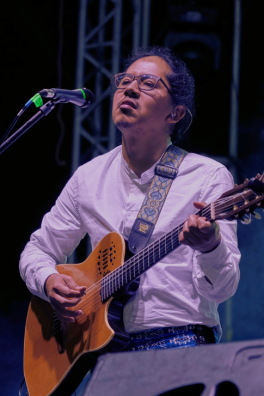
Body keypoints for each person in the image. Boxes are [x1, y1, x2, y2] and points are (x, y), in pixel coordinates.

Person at [19, 46, 240, 352]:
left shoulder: (208, 177)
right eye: (124, 81)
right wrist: (47, 281)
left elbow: (223, 288)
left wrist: (210, 246)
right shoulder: (89, 177)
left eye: (148, 83)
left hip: (178, 340)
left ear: (175, 113)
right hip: (102, 349)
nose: (131, 89)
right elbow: (38, 250)